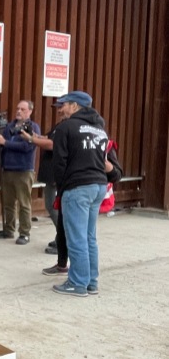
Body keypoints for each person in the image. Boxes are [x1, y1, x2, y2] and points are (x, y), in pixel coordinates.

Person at [51, 91, 121, 297]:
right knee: (89, 237)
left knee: (76, 238)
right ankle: (91, 282)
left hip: (77, 187)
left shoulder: (65, 127)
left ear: (75, 106)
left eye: (64, 105)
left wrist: (62, 188)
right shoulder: (100, 130)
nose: (61, 109)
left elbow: (59, 162)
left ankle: (77, 283)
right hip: (98, 186)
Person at [20, 102, 67, 259]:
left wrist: (31, 139)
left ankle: (64, 240)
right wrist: (35, 135)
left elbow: (53, 145)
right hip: (51, 173)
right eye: (57, 108)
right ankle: (60, 237)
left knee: (54, 208)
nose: (58, 110)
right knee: (52, 207)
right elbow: (48, 138)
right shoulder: (60, 125)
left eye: (61, 107)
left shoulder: (67, 126)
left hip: (56, 174)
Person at [0, 99, 41, 245]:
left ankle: (24, 233)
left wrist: (5, 142)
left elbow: (27, 147)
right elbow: (2, 144)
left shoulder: (33, 127)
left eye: (22, 109)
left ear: (30, 111)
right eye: (18, 108)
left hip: (23, 170)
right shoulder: (9, 126)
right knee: (8, 203)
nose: (19, 111)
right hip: (8, 168)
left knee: (24, 203)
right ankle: (8, 230)